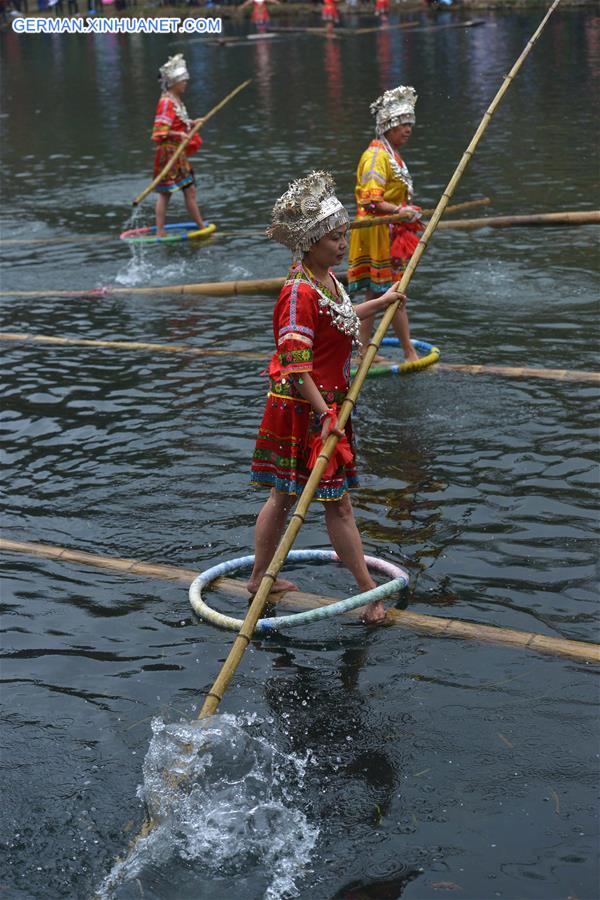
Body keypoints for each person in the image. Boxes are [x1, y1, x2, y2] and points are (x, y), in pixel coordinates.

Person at [249, 172, 407, 625]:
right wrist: (325, 417)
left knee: (283, 496)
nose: (343, 245)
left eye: (344, 236)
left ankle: (260, 576)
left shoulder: (328, 281)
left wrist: (382, 302)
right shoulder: (297, 292)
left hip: (324, 406)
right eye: (336, 238)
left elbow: (339, 319)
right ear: (312, 242)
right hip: (305, 410)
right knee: (332, 502)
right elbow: (296, 366)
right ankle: (366, 592)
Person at [347, 85, 423, 362]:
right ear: (388, 126)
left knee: (377, 291)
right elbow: (371, 200)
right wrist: (401, 210)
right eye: (403, 124)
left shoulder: (390, 155)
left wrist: (403, 211)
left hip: (387, 229)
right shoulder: (377, 157)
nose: (408, 129)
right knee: (393, 291)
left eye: (410, 124)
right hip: (377, 230)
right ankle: (409, 352)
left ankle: (362, 348)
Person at [151, 54, 205, 237]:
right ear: (173, 82)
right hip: (169, 154)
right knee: (167, 193)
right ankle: (160, 231)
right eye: (182, 80)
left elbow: (177, 123)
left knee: (189, 190)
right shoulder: (166, 102)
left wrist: (191, 123)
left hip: (178, 154)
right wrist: (178, 133)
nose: (185, 83)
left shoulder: (176, 101)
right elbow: (158, 132)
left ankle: (200, 226)